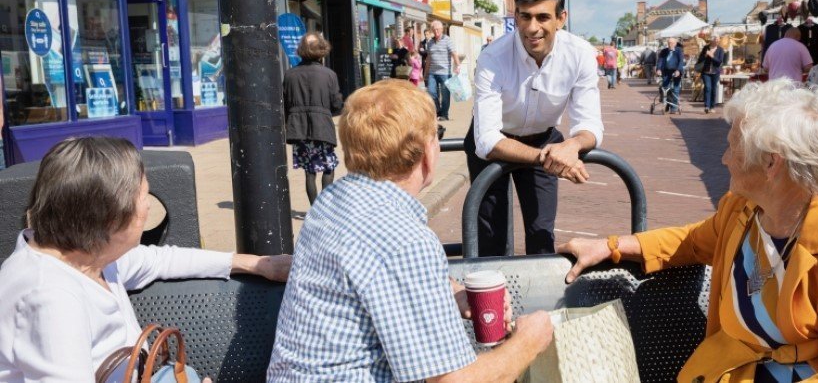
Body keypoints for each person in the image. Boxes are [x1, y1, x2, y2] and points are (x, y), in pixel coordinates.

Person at [559, 79, 818, 382]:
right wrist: (612, 246)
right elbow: (692, 242)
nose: (723, 158)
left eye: (733, 147)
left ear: (771, 163)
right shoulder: (742, 208)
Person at [268, 80, 554, 382]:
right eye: (436, 136)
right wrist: (528, 343)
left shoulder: (331, 202)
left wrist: (449, 292)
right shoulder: (406, 239)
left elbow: (376, 273)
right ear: (427, 153)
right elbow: (450, 381)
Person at [0, 136, 292, 382]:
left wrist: (254, 264)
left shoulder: (87, 255)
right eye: (142, 196)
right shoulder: (51, 298)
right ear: (110, 218)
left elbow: (159, 260)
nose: (149, 205)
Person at [466, 0, 603, 257]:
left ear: (561, 18)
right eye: (525, 16)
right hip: (499, 143)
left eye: (543, 17)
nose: (532, 28)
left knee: (541, 233)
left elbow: (589, 124)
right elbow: (487, 140)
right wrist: (548, 158)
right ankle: (494, 299)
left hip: (544, 139)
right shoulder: (492, 57)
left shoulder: (580, 54)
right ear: (515, 15)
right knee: (491, 235)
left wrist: (572, 147)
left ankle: (539, 299)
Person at [283, 32, 344, 206]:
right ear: (322, 50)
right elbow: (336, 105)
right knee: (328, 168)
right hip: (322, 128)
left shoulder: (290, 75)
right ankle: (324, 207)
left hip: (298, 129)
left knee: (309, 172)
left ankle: (314, 208)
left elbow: (285, 104)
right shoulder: (329, 74)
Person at [423, 20, 460, 121]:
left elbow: (454, 54)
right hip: (432, 72)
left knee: (445, 95)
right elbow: (429, 58)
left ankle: (444, 114)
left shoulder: (447, 40)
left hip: (445, 72)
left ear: (442, 29)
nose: (436, 31)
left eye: (437, 29)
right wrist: (425, 73)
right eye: (434, 30)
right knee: (431, 92)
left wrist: (458, 66)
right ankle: (438, 110)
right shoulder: (430, 42)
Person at [697, 35, 726, 114]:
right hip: (706, 72)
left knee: (713, 89)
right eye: (715, 39)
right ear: (712, 40)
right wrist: (705, 56)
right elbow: (700, 59)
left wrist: (712, 56)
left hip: (715, 72)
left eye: (718, 40)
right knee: (707, 87)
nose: (717, 41)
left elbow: (719, 61)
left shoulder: (720, 50)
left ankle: (712, 106)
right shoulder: (706, 48)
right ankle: (706, 106)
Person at [656, 37, 685, 112]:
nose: (670, 44)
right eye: (668, 43)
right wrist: (658, 69)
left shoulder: (679, 51)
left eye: (671, 43)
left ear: (675, 44)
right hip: (666, 72)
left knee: (675, 89)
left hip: (676, 72)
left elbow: (681, 62)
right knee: (665, 88)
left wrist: (678, 70)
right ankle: (666, 104)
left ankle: (674, 108)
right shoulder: (664, 51)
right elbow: (660, 61)